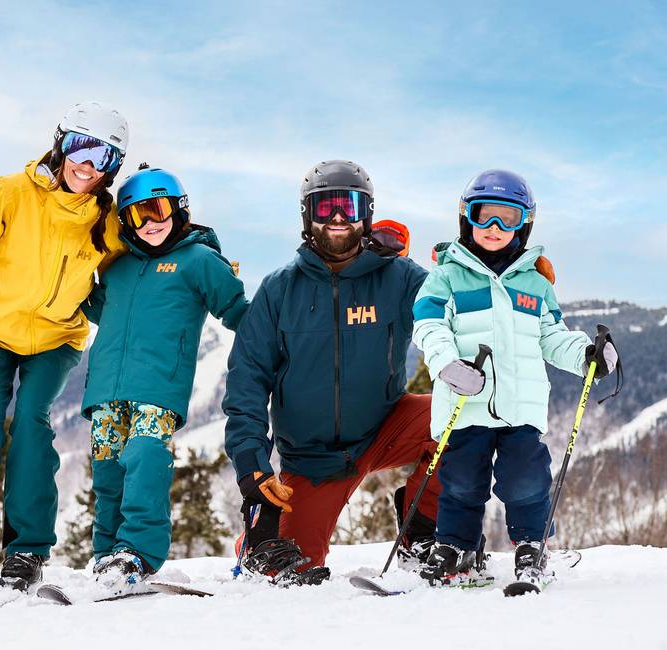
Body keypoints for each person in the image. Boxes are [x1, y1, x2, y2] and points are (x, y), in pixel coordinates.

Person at [0, 101, 129, 591]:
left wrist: (195, 244)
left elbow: (143, 251)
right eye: (81, 147)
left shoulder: (107, 220)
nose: (88, 165)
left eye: (105, 158)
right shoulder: (12, 192)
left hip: (55, 338)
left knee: (32, 422)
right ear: (61, 144)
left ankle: (27, 552)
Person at [222, 160, 435, 586]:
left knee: (461, 415)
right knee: (295, 568)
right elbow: (247, 378)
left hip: (384, 426)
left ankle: (423, 536)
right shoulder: (279, 289)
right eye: (325, 208)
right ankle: (255, 542)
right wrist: (251, 463)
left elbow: (457, 307)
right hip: (313, 459)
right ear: (307, 216)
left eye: (349, 206)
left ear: (366, 214)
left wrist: (508, 282)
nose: (338, 218)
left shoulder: (400, 277)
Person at [411, 169, 617, 586]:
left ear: (524, 223)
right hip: (465, 403)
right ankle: (456, 548)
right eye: (484, 215)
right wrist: (448, 365)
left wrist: (585, 356)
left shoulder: (536, 284)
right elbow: (429, 327)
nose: (494, 228)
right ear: (466, 218)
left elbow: (553, 336)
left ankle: (531, 548)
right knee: (461, 484)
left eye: (508, 218)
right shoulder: (446, 276)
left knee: (526, 483)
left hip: (520, 408)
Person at [79, 165, 248, 591]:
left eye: (157, 210)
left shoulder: (198, 260)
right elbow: (101, 311)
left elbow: (238, 310)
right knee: (106, 470)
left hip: (159, 386)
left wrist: (275, 351)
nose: (150, 223)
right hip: (105, 388)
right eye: (136, 215)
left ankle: (138, 551)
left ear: (179, 209)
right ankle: (106, 556)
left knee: (144, 458)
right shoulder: (115, 268)